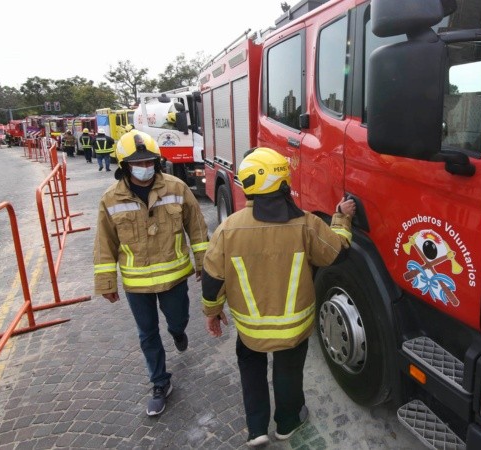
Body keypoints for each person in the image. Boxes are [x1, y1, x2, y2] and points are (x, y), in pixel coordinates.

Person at [201, 147, 355, 447]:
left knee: (251, 372)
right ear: (282, 184)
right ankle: (287, 423)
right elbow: (335, 251)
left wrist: (212, 311)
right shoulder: (305, 223)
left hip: (250, 330)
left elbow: (212, 277)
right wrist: (341, 218)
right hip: (292, 328)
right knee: (288, 373)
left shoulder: (227, 229)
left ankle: (256, 429)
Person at [93, 130, 209, 417]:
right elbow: (105, 243)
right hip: (137, 283)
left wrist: (203, 263)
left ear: (156, 162)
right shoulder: (110, 199)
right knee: (147, 334)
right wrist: (107, 282)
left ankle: (178, 332)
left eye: (148, 161)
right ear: (124, 165)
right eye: (137, 162)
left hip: (174, 277)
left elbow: (197, 228)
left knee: (177, 320)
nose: (144, 166)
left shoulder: (177, 188)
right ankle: (159, 382)